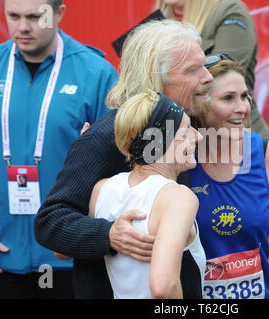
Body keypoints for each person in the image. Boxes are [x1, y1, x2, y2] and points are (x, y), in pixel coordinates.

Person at [34, 19, 213, 298]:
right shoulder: (104, 136)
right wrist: (108, 235)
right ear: (155, 78)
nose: (208, 76)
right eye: (193, 70)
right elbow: (50, 223)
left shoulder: (183, 125)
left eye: (204, 64)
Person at [0, 0, 117, 298]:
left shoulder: (97, 74)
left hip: (70, 257)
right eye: (14, 16)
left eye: (35, 17)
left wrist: (90, 236)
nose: (22, 27)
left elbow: (115, 166)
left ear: (59, 13)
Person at [189, 56, 269, 299]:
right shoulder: (180, 161)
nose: (242, 108)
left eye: (244, 96)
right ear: (199, 104)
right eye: (228, 98)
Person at [88, 91, 205, 299]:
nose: (198, 136)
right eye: (186, 130)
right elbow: (163, 286)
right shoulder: (178, 197)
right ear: (160, 141)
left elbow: (63, 253)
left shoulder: (101, 190)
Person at [155, 0, 269, 142]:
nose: (203, 75)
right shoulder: (155, 22)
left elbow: (222, 79)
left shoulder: (229, 10)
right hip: (181, 136)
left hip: (237, 139)